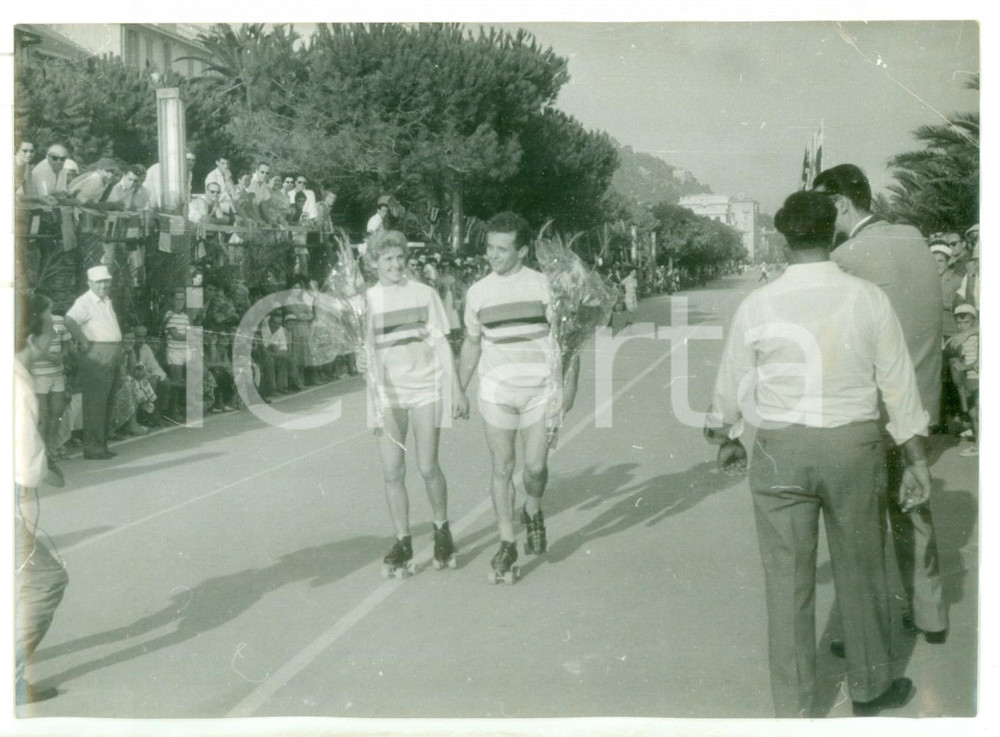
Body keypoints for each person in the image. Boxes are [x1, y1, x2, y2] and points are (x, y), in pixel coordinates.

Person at [705, 191, 930, 718]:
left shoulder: (759, 303)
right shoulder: (866, 298)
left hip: (781, 449)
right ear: (833, 233)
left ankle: (794, 707)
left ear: (784, 240)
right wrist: (916, 459)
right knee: (861, 568)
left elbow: (730, 381)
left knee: (786, 582)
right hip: (854, 446)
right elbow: (899, 385)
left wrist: (726, 437)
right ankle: (871, 690)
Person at [813, 163, 948, 643]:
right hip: (923, 405)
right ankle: (931, 616)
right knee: (914, 509)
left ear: (841, 205)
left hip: (875, 413)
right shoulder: (914, 237)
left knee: (862, 527)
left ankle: (866, 633)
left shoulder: (848, 256)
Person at [458, 211, 573, 582]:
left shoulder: (544, 286)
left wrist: (568, 387)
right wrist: (459, 388)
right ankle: (506, 542)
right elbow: (472, 344)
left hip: (539, 390)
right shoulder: (477, 293)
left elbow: (569, 341)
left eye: (502, 249)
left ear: (522, 251)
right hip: (497, 392)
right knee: (503, 466)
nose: (493, 255)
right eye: (489, 247)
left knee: (535, 468)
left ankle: (533, 508)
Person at [358, 230, 469, 576]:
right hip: (386, 396)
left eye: (399, 257)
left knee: (426, 466)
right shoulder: (366, 301)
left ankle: (441, 530)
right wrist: (359, 362)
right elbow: (363, 349)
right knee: (392, 471)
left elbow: (440, 343)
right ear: (374, 264)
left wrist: (457, 390)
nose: (395, 264)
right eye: (387, 259)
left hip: (425, 389)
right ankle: (403, 540)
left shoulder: (425, 294)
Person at [14, 291, 69, 705]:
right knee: (47, 582)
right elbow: (26, 464)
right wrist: (47, 468)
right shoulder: (17, 383)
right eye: (50, 327)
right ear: (32, 337)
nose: (55, 335)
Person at [63, 265, 124, 460]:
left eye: (106, 281)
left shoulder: (105, 300)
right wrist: (83, 341)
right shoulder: (85, 301)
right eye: (99, 282)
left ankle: (101, 444)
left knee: (107, 399)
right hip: (98, 353)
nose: (104, 285)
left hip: (110, 351)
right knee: (96, 401)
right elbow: (69, 320)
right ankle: (93, 447)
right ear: (90, 283)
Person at [29, 301, 71, 461]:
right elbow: (30, 346)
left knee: (57, 411)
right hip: (39, 374)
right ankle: (43, 451)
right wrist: (47, 356)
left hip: (57, 374)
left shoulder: (59, 321)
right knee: (43, 414)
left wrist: (62, 355)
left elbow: (66, 343)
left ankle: (52, 446)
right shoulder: (33, 322)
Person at [945, 303, 979, 457]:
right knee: (973, 413)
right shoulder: (962, 340)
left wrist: (964, 368)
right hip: (971, 379)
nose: (962, 326)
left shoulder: (979, 338)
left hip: (977, 379)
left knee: (978, 413)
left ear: (974, 322)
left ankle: (980, 446)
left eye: (966, 322)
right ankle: (979, 443)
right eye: (958, 323)